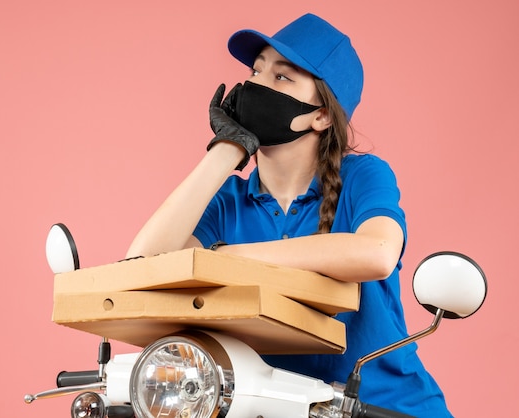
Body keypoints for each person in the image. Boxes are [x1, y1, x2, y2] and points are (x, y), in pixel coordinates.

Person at [126, 13, 452, 417]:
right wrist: (227, 150)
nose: (255, 86)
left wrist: (227, 258)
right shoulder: (228, 198)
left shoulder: (362, 175)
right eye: (256, 70)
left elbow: (378, 253)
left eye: (281, 78)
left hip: (384, 407)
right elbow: (140, 268)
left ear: (322, 115)